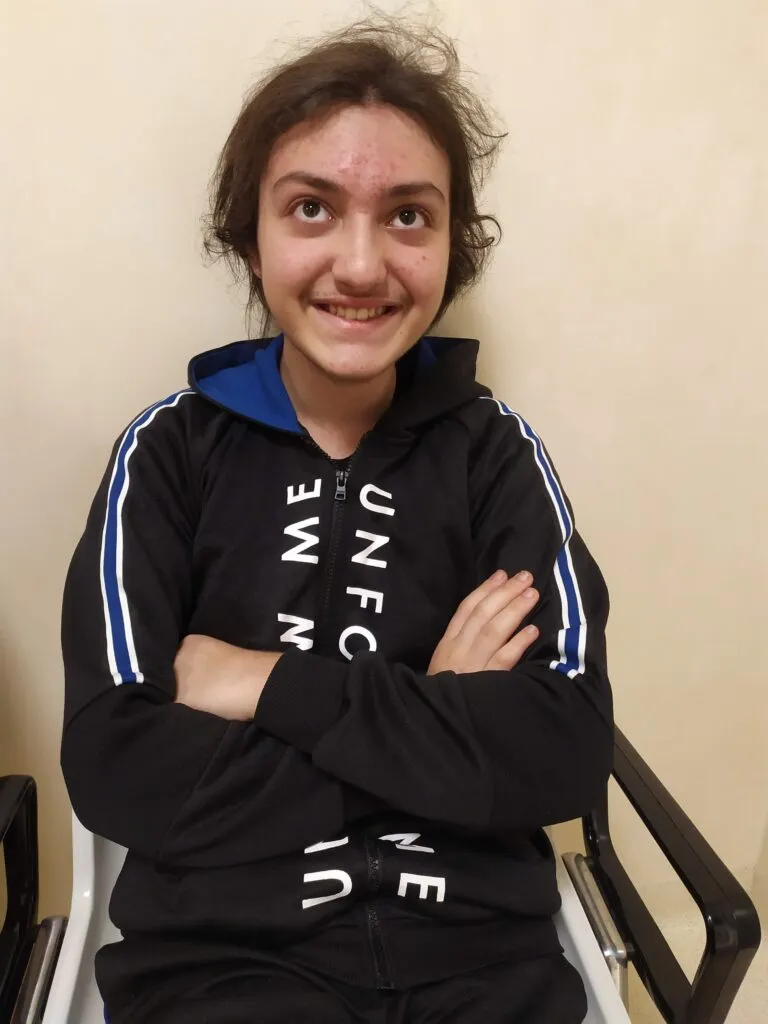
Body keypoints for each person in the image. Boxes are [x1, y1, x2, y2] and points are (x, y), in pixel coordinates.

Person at [61, 15, 613, 1024]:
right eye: (312, 208)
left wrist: (262, 682)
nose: (360, 267)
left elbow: (564, 749)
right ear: (251, 235)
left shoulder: (496, 454)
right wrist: (433, 714)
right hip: (222, 967)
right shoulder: (168, 452)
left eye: (408, 215)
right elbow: (118, 768)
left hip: (485, 964)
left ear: (450, 244)